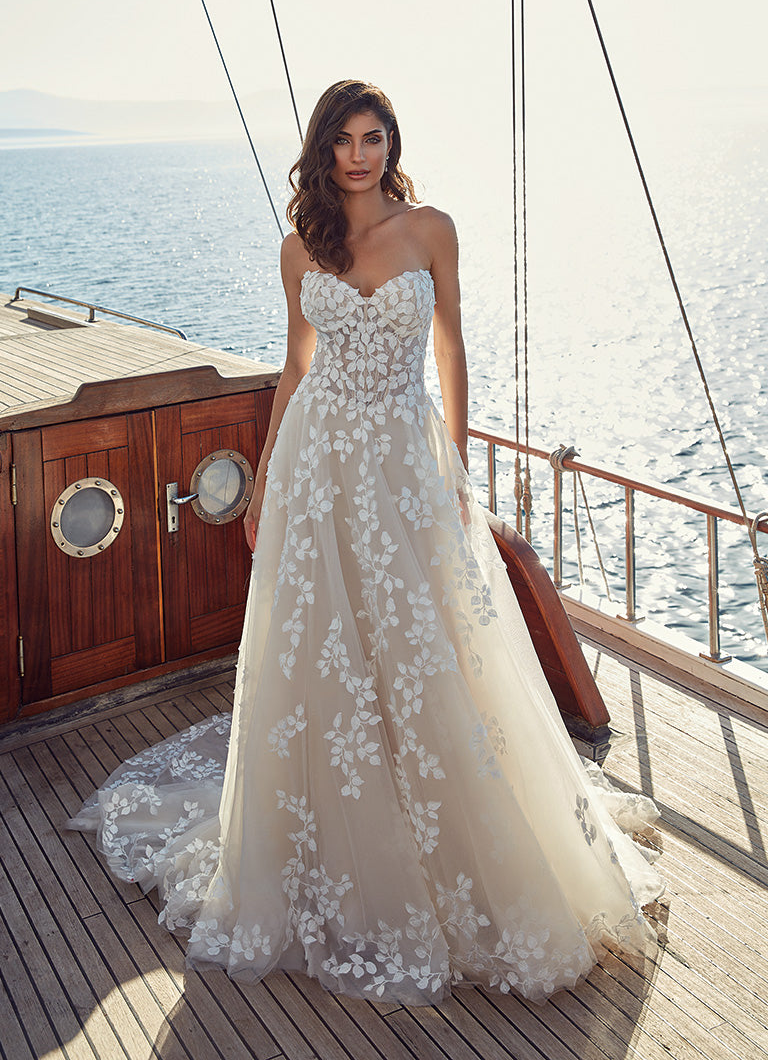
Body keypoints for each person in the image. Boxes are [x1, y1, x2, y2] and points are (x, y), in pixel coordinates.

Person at [68, 79, 665, 1005]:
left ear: (393, 143)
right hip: (318, 462)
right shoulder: (300, 246)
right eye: (343, 139)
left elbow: (452, 347)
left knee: (429, 645)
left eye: (374, 136)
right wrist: (266, 473)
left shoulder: (432, 228)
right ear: (322, 148)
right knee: (325, 651)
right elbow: (296, 361)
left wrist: (458, 471)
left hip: (404, 458)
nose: (359, 154)